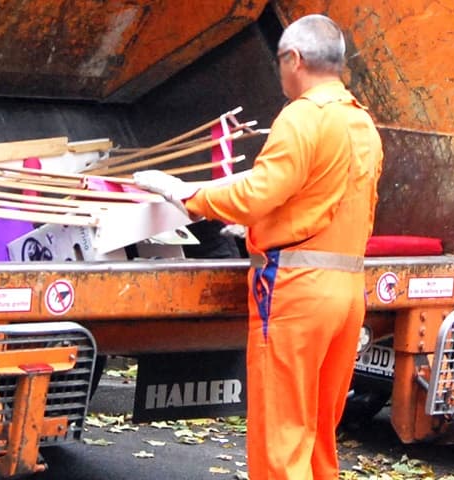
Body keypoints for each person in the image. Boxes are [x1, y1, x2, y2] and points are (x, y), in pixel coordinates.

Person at [132, 14, 381, 480]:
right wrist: (256, 222)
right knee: (318, 435)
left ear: (295, 59)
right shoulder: (360, 122)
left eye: (280, 62)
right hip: (347, 293)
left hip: (296, 293)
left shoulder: (302, 117)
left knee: (282, 435)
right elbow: (317, 195)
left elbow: (256, 194)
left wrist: (185, 193)